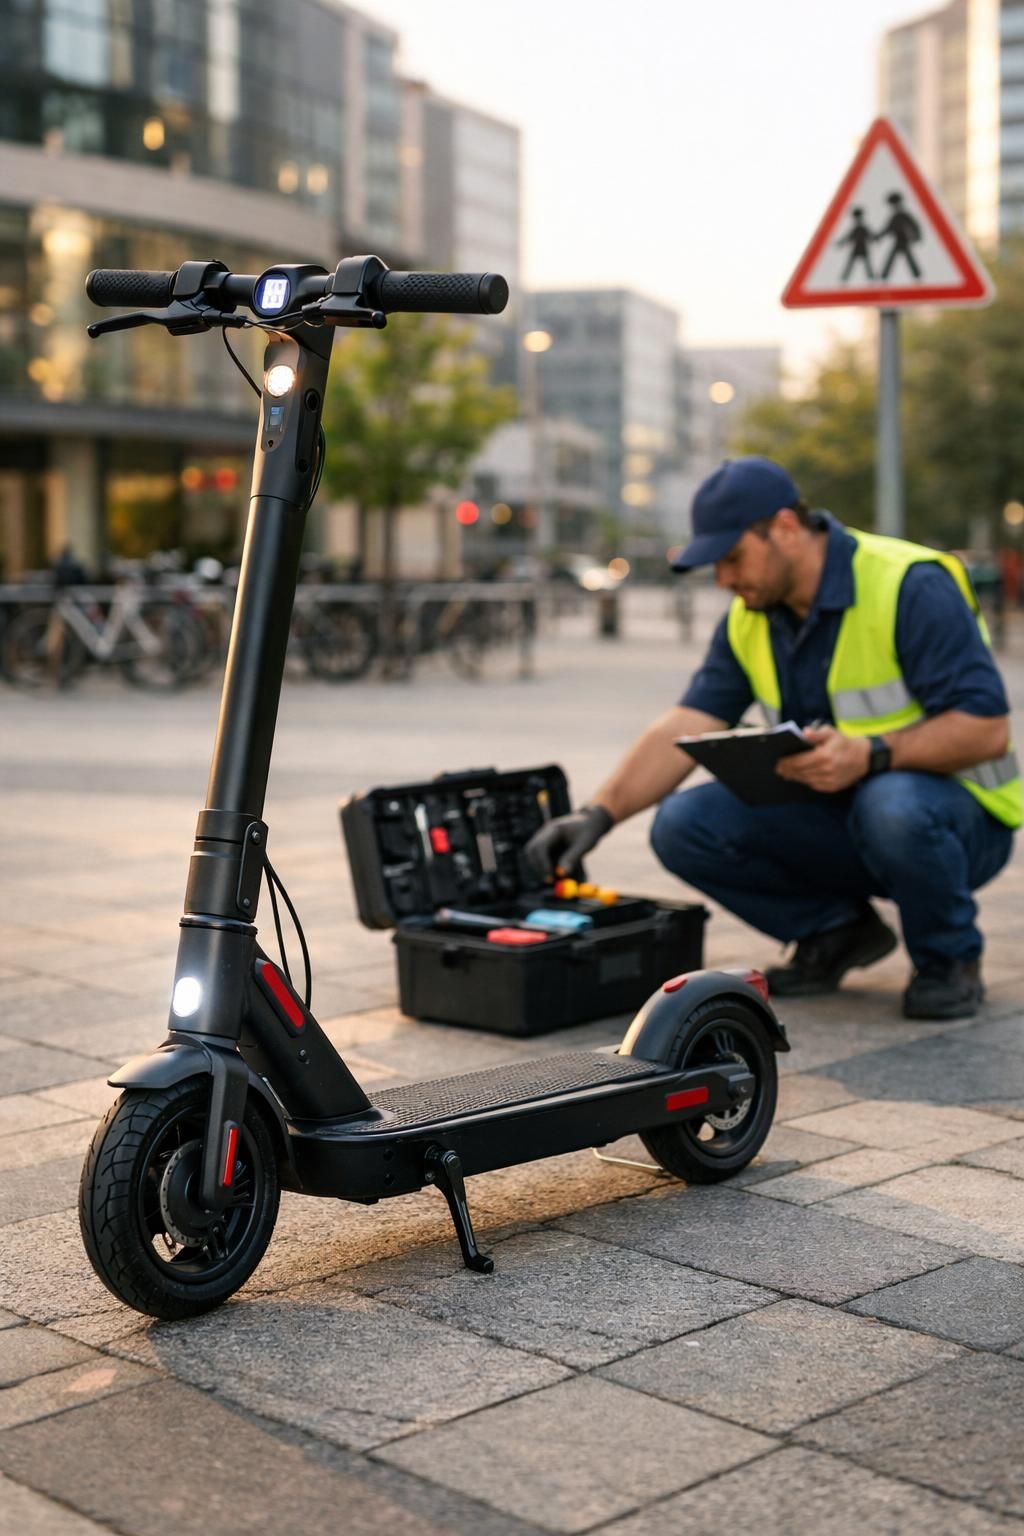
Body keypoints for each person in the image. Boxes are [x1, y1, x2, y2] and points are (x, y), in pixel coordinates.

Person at [525, 457, 1020, 1020]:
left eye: (732, 558)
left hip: (957, 822)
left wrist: (872, 753)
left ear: (785, 527)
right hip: (849, 815)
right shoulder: (751, 615)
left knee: (892, 804)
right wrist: (598, 814)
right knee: (684, 825)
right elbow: (688, 721)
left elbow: (988, 731)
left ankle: (949, 960)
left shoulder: (910, 584)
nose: (725, 581)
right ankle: (837, 932)